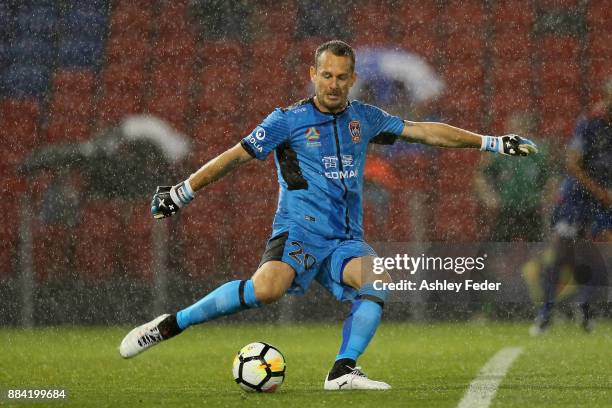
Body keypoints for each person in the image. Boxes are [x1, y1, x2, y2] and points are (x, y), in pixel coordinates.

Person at [118, 40, 537, 390]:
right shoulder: (287, 120)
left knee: (377, 279)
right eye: (327, 75)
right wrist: (183, 191)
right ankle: (172, 324)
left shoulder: (365, 118)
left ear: (353, 79)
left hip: (344, 237)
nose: (334, 84)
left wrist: (492, 143)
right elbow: (235, 157)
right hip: (299, 230)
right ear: (313, 74)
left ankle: (343, 369)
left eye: (342, 77)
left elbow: (425, 131)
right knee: (266, 291)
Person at [530, 78, 612, 335]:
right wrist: (600, 191)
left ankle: (584, 306)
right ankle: (546, 312)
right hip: (578, 199)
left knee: (603, 256)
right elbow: (572, 164)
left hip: (605, 200)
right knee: (562, 253)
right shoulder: (589, 126)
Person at [474, 112, 556, 242]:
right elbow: (481, 175)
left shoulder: (539, 152)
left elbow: (551, 178)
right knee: (498, 247)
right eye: (511, 130)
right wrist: (489, 196)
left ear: (527, 131)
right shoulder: (500, 151)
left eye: (518, 130)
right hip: (507, 208)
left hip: (532, 209)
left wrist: (546, 198)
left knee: (537, 248)